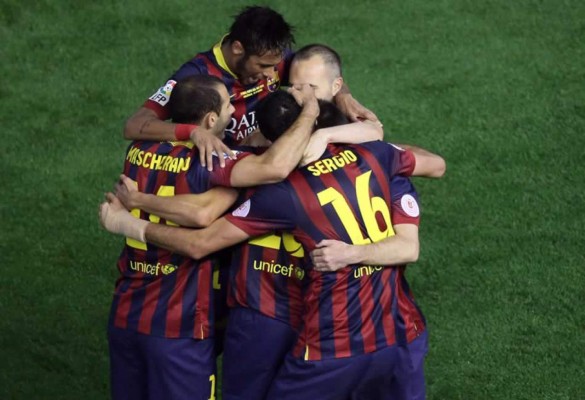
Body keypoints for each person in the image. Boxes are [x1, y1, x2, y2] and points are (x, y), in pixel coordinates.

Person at [101, 92, 437, 399]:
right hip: (387, 330)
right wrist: (337, 128)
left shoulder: (275, 188)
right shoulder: (376, 155)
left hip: (313, 335)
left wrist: (131, 219)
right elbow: (432, 163)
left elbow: (201, 236)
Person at [106, 76, 321, 400]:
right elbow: (275, 168)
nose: (234, 111)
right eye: (228, 105)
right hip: (179, 323)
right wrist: (310, 113)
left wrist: (137, 202)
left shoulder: (138, 149)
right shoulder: (212, 159)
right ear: (210, 120)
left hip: (126, 312)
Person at [124, 6, 380, 169]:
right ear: (238, 48)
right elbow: (135, 125)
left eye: (275, 65)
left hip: (274, 158)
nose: (272, 73)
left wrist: (344, 96)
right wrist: (192, 132)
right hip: (227, 170)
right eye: (263, 66)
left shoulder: (273, 57)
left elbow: (321, 70)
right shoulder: (196, 77)